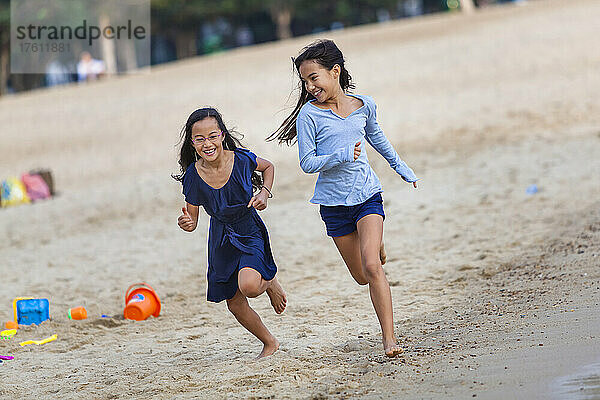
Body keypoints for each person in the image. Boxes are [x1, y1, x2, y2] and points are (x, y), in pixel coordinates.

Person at [268, 39, 418, 358]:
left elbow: (377, 137)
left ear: (334, 72)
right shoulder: (309, 116)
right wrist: (339, 155)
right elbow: (307, 162)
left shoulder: (364, 105)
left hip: (367, 196)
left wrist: (401, 167)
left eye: (314, 78)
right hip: (334, 207)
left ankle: (389, 339)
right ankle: (374, 245)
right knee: (362, 276)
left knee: (372, 267)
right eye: (304, 81)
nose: (309, 87)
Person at [173, 107, 287, 358]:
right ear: (192, 143)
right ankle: (269, 342)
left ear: (222, 135)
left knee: (250, 286)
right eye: (200, 139)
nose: (207, 143)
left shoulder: (242, 160)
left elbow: (268, 167)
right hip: (220, 238)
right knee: (234, 303)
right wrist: (188, 223)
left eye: (212, 136)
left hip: (248, 228)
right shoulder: (193, 175)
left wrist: (264, 193)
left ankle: (269, 281)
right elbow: (192, 216)